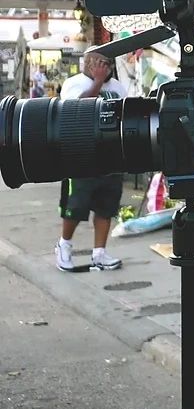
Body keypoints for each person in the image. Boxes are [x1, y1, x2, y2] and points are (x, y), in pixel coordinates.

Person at [55, 50, 128, 271]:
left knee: (106, 207)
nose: (106, 68)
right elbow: (75, 110)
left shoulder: (117, 86)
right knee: (76, 206)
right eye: (100, 63)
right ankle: (64, 246)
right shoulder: (74, 83)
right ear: (88, 64)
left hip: (110, 156)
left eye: (108, 63)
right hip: (82, 156)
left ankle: (100, 253)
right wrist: (96, 83)